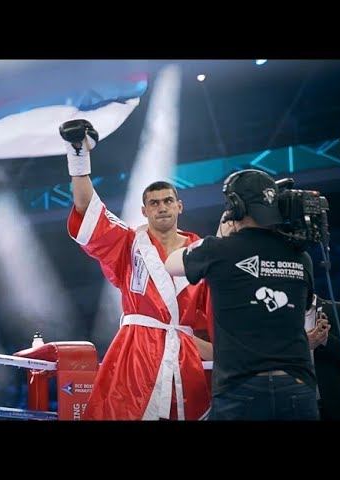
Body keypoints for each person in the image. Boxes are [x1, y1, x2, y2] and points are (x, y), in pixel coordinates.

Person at [60, 119, 213, 420]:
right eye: (154, 203)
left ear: (179, 206)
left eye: (168, 201)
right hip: (135, 356)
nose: (162, 207)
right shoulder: (128, 243)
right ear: (144, 211)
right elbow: (88, 211)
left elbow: (218, 315)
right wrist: (78, 156)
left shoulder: (204, 252)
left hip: (185, 359)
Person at [165, 169, 319, 420]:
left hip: (241, 388)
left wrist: (220, 236)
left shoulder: (218, 250)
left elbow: (170, 264)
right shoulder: (301, 257)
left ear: (235, 207)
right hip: (297, 386)